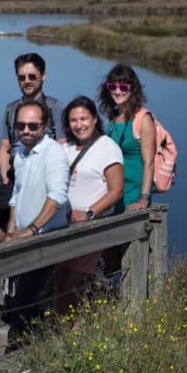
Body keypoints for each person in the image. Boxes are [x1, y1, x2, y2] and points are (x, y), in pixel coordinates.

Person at [3, 101, 69, 346]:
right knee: (17, 303)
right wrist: (11, 231)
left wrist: (31, 230)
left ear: (45, 126)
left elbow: (58, 197)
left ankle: (28, 359)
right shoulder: (20, 153)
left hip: (45, 240)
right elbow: (16, 195)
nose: (26, 130)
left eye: (33, 125)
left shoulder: (53, 153)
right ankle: (19, 353)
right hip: (22, 241)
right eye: (21, 125)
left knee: (29, 303)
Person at [0, 52, 65, 243]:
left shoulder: (54, 108)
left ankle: (15, 264)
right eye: (22, 77)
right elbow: (4, 147)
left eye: (32, 76)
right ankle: (8, 258)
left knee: (28, 230)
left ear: (43, 76)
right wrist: (3, 175)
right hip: (13, 178)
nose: (27, 81)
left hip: (40, 179)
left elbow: (63, 147)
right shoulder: (11, 109)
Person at [54, 96, 124, 315]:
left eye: (84, 118)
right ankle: (63, 331)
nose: (79, 124)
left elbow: (116, 190)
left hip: (90, 227)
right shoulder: (64, 146)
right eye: (73, 120)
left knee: (73, 280)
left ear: (95, 119)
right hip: (61, 225)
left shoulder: (107, 148)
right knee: (58, 281)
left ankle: (72, 333)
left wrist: (90, 213)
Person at [99, 64, 156, 213]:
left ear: (133, 89)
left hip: (134, 194)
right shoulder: (111, 118)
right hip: (113, 191)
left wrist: (143, 199)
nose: (117, 92)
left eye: (123, 87)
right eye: (113, 86)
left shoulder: (143, 119)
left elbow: (149, 163)